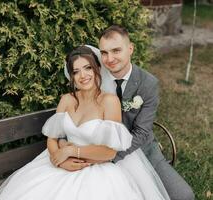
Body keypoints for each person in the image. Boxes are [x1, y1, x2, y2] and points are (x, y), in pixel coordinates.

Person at [0, 46, 170, 200]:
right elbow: (53, 139)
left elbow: (109, 152)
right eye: (76, 71)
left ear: (97, 69)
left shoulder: (109, 101)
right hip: (60, 161)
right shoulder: (67, 100)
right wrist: (59, 161)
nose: (83, 75)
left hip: (97, 167)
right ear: (71, 76)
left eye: (87, 68)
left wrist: (70, 150)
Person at [60, 25, 194, 200]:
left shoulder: (148, 83)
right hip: (96, 149)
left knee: (184, 196)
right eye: (104, 53)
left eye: (116, 50)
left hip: (140, 150)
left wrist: (108, 158)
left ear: (130, 49)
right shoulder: (92, 77)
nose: (110, 59)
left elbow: (141, 132)